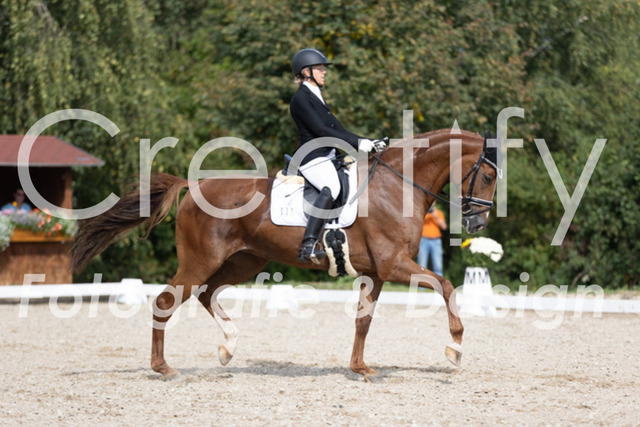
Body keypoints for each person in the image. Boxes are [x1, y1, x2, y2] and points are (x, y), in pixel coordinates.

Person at [289, 48, 384, 262]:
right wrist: (360, 143)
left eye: (324, 69)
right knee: (331, 187)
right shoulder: (300, 98)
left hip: (328, 155)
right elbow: (322, 130)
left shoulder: (316, 96)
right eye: (319, 69)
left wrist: (368, 141)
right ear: (306, 72)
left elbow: (338, 130)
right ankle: (308, 244)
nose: (324, 72)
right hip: (312, 157)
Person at [417, 203, 447, 276]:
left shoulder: (438, 213)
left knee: (438, 265)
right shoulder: (422, 212)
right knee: (422, 264)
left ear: (435, 203)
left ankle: (438, 282)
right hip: (423, 240)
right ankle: (421, 282)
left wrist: (436, 216)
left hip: (436, 241)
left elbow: (444, 227)